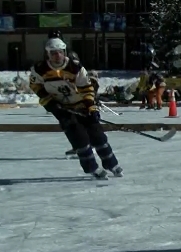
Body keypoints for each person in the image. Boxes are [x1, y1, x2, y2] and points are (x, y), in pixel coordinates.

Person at [29, 38, 123, 179]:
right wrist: (49, 103)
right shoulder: (40, 69)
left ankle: (111, 164)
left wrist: (91, 107)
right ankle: (92, 168)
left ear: (64, 52)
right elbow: (36, 86)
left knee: (98, 136)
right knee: (79, 139)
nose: (57, 56)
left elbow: (86, 88)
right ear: (48, 54)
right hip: (62, 109)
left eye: (60, 52)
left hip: (81, 105)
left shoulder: (74, 67)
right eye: (53, 53)